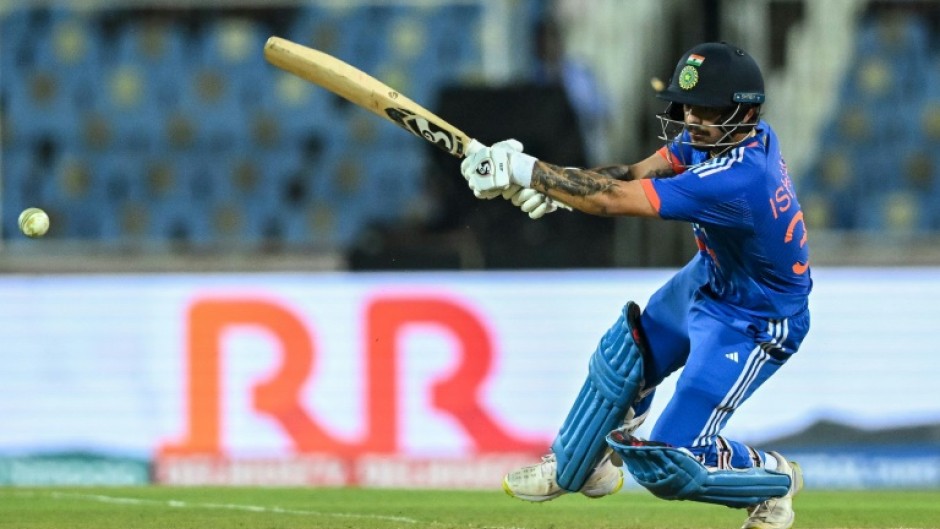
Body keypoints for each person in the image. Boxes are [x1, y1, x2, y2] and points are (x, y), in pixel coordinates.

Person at [460, 42, 811, 529]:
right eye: (688, 105)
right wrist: (555, 188)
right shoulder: (722, 137)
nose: (692, 118)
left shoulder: (740, 179)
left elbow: (613, 201)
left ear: (746, 111)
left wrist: (528, 171)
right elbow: (630, 174)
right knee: (626, 355)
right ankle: (578, 465)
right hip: (708, 278)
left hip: (755, 318)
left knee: (670, 465)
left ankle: (775, 482)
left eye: (707, 108)